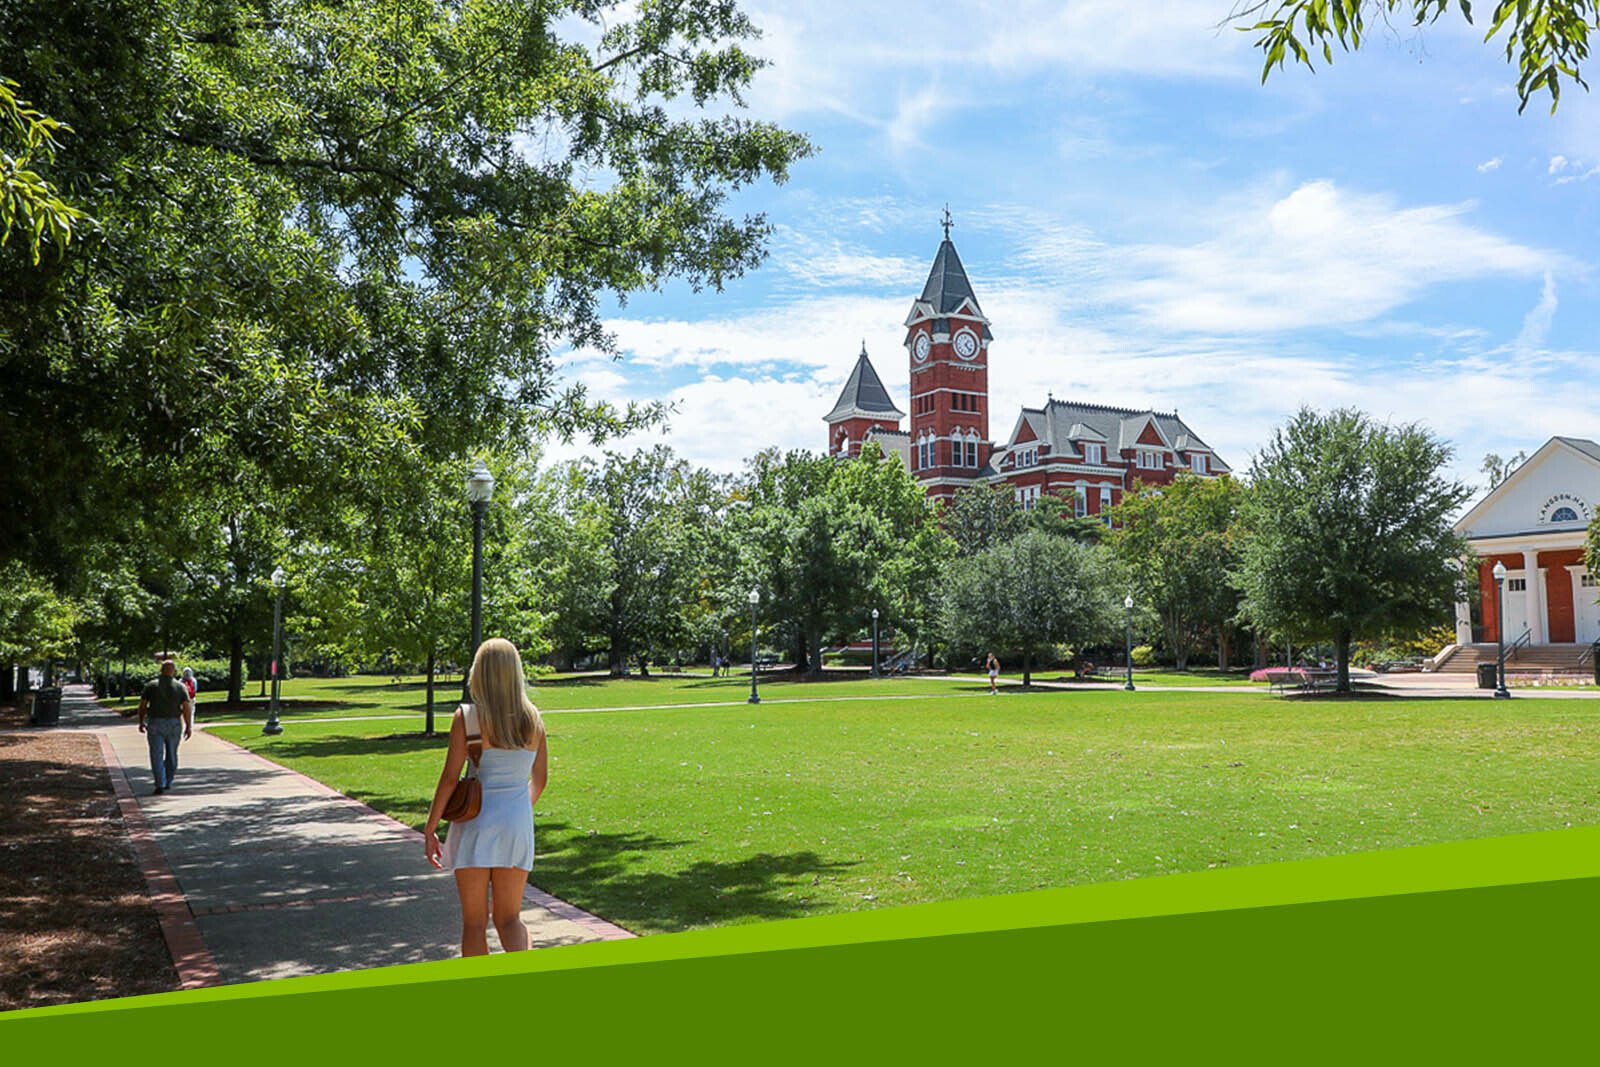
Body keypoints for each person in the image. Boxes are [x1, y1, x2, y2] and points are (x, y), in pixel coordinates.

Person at [424, 638, 548, 957]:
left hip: (475, 823)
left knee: (475, 924)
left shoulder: (467, 717)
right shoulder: (533, 718)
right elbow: (540, 778)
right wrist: (517, 811)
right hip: (517, 825)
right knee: (510, 919)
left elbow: (450, 778)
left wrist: (431, 827)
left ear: (479, 673)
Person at [138, 659, 193, 795]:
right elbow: (186, 708)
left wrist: (141, 721)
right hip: (174, 723)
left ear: (161, 670)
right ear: (173, 671)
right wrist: (188, 726)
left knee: (156, 754)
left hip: (155, 722)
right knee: (172, 754)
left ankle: (159, 783)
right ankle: (168, 780)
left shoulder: (151, 686)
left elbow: (143, 706)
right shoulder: (180, 687)